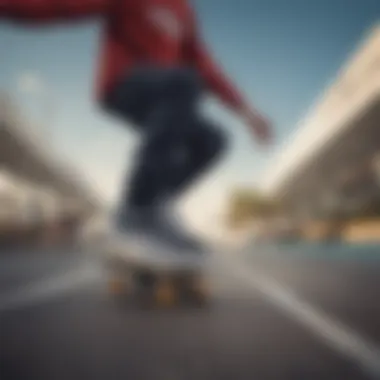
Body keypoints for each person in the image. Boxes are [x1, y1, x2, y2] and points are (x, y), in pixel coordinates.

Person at [0, 0, 272, 253]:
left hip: (168, 95)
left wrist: (247, 112)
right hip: (123, 85)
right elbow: (63, 5)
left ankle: (156, 207)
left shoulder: (183, 11)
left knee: (214, 140)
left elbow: (206, 67)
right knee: (185, 82)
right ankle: (136, 210)